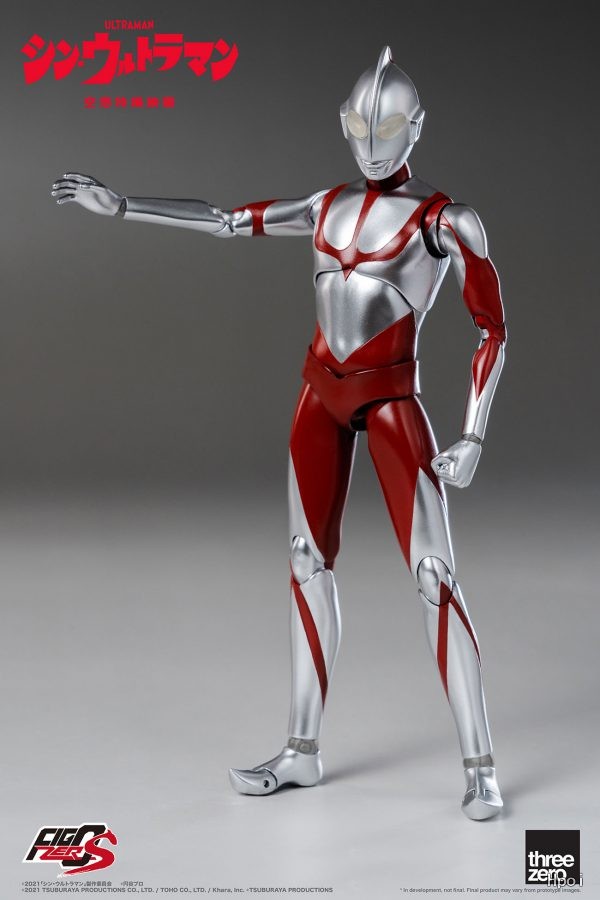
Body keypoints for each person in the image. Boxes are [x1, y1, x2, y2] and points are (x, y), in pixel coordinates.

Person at [52, 46, 507, 820]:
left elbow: (492, 328)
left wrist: (473, 435)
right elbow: (228, 221)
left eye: (388, 127)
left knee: (435, 575)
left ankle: (481, 766)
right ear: (343, 124)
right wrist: (123, 205)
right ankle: (301, 750)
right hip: (319, 395)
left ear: (417, 126)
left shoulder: (445, 220)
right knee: (304, 562)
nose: (372, 144)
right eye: (360, 126)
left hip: (391, 400)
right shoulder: (326, 205)